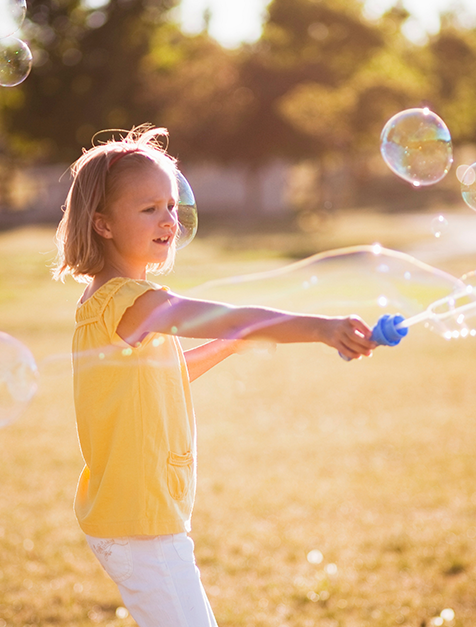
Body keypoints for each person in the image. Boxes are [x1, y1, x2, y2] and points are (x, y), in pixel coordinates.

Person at [52, 124, 378, 626]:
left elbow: (159, 376)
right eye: (148, 208)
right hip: (142, 525)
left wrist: (227, 347)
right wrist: (321, 328)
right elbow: (229, 316)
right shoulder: (130, 302)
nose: (168, 219)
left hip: (134, 516)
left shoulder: (109, 301)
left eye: (170, 205)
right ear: (103, 224)